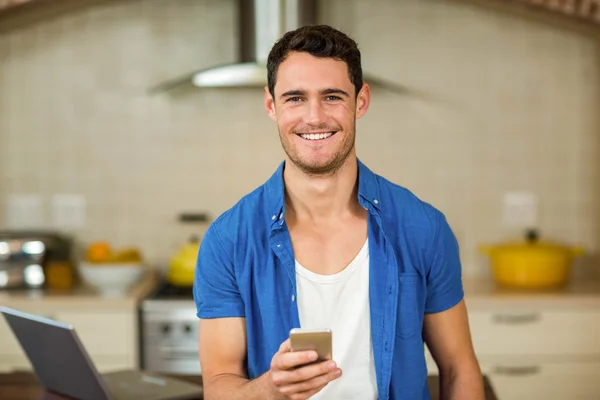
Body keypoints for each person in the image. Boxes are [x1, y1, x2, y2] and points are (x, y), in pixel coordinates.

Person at [193, 24, 484, 400]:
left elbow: (460, 369)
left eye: (332, 97)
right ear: (271, 105)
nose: (314, 117)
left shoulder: (423, 227)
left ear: (360, 101)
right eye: (295, 98)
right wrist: (271, 387)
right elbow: (218, 388)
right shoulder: (228, 240)